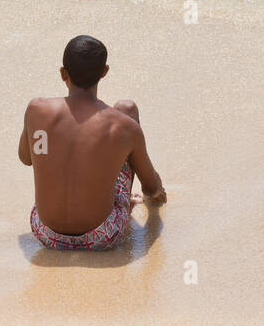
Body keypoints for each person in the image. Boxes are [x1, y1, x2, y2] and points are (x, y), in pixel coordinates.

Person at [20, 35, 166, 251]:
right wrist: (157, 191)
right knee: (127, 108)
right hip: (101, 235)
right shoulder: (124, 126)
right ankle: (116, 199)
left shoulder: (36, 110)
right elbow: (150, 187)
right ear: (104, 71)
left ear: (63, 73)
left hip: (45, 232)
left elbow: (26, 158)